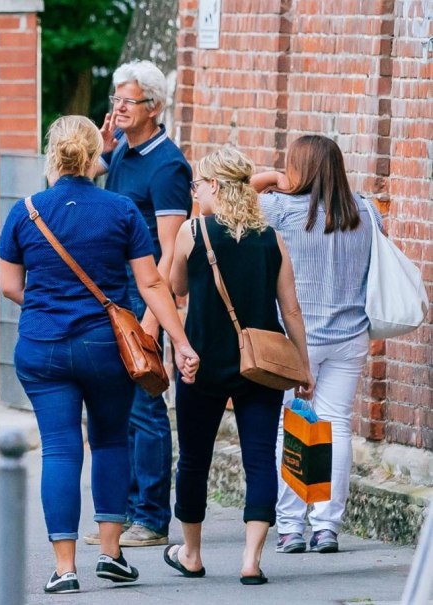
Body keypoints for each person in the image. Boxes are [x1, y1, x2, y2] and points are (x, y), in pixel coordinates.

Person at [0, 116, 199, 594]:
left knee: (61, 449)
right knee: (109, 442)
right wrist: (181, 343)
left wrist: (48, 304)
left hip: (42, 347)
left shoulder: (25, 212)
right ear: (95, 157)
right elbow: (151, 283)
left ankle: (65, 568)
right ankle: (111, 554)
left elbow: (10, 285)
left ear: (53, 156)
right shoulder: (122, 209)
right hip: (105, 348)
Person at [164, 147, 313, 585]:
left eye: (197, 184)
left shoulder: (194, 231)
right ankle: (250, 561)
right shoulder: (271, 237)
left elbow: (176, 287)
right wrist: (303, 367)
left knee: (193, 460)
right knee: (259, 461)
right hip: (262, 367)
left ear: (213, 186)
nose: (194, 192)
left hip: (202, 364)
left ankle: (191, 554)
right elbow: (292, 310)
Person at [253, 134, 385, 555]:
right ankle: (327, 526)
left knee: (291, 425)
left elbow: (226, 198)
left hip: (296, 339)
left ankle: (291, 527)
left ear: (299, 169)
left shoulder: (279, 210)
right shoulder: (366, 211)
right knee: (336, 425)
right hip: (350, 335)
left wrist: (272, 177)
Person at [94, 59, 194, 548]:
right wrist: (102, 144)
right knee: (119, 404)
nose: (118, 109)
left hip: (146, 294)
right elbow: (81, 181)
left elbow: (171, 248)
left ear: (153, 107)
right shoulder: (120, 155)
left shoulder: (168, 164)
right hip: (115, 292)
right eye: (115, 101)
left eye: (127, 102)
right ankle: (126, 510)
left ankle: (151, 518)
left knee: (147, 402)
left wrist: (155, 318)